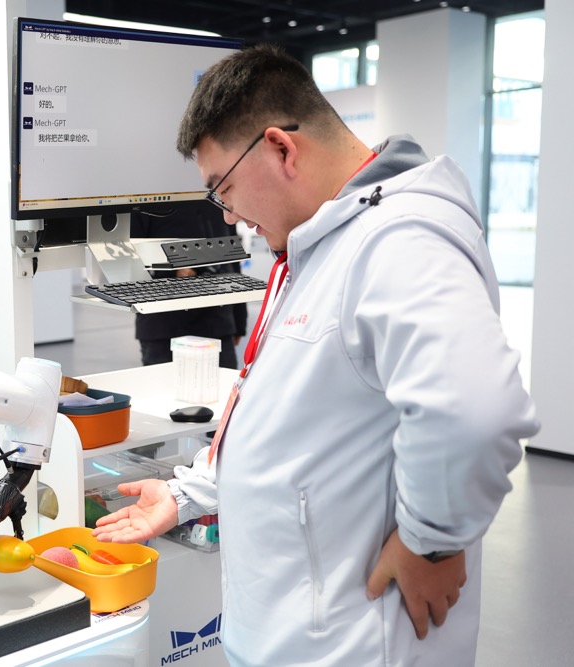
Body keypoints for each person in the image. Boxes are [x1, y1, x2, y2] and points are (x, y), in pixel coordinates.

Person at [92, 43, 539, 666]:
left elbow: (476, 411)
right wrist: (189, 493)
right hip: (290, 632)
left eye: (223, 188)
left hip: (354, 645)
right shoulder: (320, 244)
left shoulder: (398, 240)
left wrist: (432, 544)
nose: (230, 216)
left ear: (281, 148)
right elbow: (286, 416)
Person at [131, 206, 248, 369]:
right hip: (163, 324)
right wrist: (171, 271)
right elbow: (129, 256)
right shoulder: (146, 201)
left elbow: (232, 258)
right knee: (163, 384)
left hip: (217, 322)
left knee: (225, 383)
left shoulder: (215, 199)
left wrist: (239, 321)